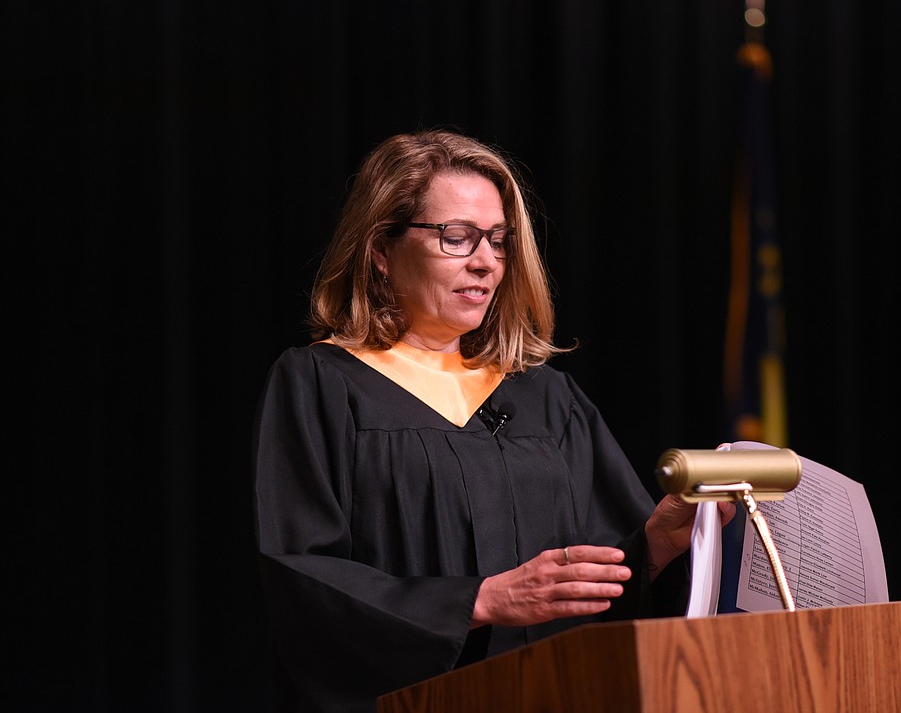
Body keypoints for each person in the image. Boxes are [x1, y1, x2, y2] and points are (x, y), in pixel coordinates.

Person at [252, 129, 733, 712]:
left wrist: (657, 544)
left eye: (499, 241)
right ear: (381, 248)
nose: (485, 262)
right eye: (456, 237)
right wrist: (476, 601)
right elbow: (304, 577)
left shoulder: (548, 399)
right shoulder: (322, 385)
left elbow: (595, 581)